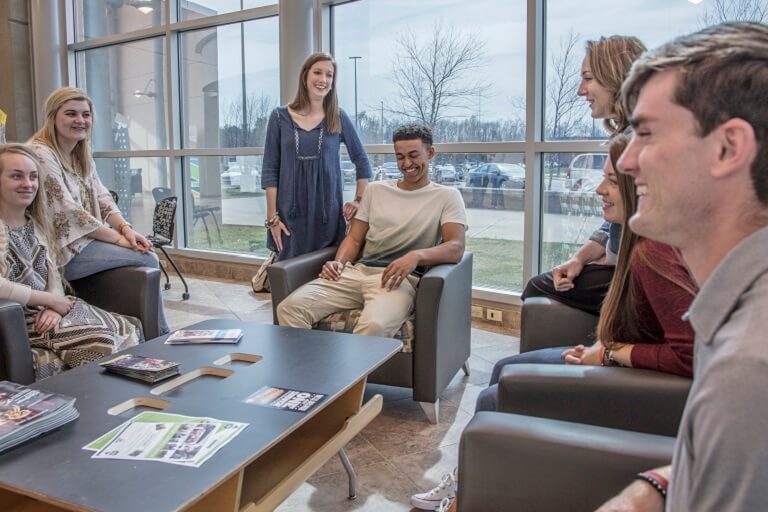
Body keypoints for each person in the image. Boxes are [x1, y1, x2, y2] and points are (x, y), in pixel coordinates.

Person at [411, 134, 696, 511]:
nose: (599, 188)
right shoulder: (636, 240)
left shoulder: (654, 253)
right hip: (614, 358)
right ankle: (468, 478)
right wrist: (604, 349)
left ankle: (469, 494)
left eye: (612, 180)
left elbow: (691, 356)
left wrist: (612, 354)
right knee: (502, 368)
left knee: (494, 397)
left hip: (640, 383)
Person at [597, 22, 768, 511]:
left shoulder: (749, 371)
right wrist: (652, 488)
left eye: (646, 134)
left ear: (728, 148)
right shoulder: (736, 317)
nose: (627, 161)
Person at [276, 124, 466, 338]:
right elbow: (354, 239)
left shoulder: (447, 196)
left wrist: (415, 256)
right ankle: (309, 371)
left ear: (430, 153)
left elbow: (455, 247)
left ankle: (351, 373)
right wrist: (338, 262)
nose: (407, 164)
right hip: (356, 273)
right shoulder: (376, 190)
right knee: (290, 308)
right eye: (400, 157)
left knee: (374, 326)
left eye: (414, 155)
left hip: (397, 280)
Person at [28, 87, 169, 334]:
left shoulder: (80, 153)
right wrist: (117, 239)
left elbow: (102, 196)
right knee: (147, 257)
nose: (80, 120)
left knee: (144, 251)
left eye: (86, 114)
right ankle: (160, 336)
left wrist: (126, 229)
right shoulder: (41, 152)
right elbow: (68, 211)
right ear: (53, 117)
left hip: (83, 242)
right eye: (71, 114)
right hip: (60, 250)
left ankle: (153, 334)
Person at [522, 35, 646, 315]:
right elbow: (611, 224)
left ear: (617, 78)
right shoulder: (626, 136)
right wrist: (579, 259)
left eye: (588, 78)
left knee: (535, 287)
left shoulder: (641, 144)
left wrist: (610, 258)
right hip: (621, 264)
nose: (580, 90)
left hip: (635, 275)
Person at [0, 143, 140, 380]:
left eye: (33, 177)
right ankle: (96, 406)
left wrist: (55, 302)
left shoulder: (36, 223)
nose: (28, 184)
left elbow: (53, 272)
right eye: (16, 176)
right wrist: (48, 300)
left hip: (52, 308)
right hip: (18, 320)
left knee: (127, 326)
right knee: (100, 341)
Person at [261, 52, 371, 261]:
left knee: (324, 280)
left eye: (329, 75)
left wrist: (358, 200)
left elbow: (362, 161)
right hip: (288, 217)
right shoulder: (279, 117)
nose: (323, 79)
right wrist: (272, 217)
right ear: (305, 77)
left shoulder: (337, 117)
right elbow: (270, 170)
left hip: (327, 218)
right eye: (318, 72)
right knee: (288, 278)